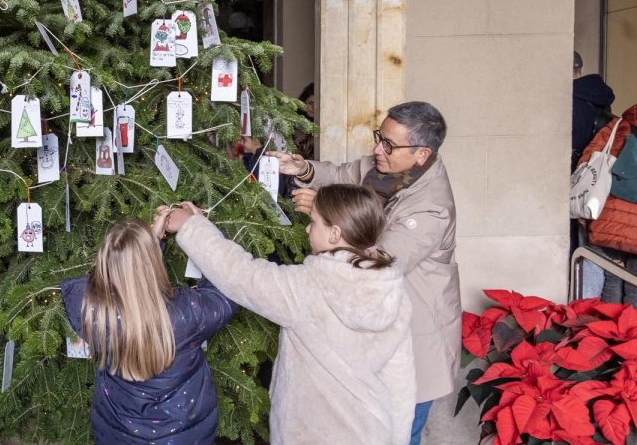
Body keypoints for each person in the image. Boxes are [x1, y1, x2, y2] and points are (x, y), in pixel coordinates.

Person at [160, 186, 414, 444]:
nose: (306, 229)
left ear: (334, 233)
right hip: (372, 432)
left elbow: (242, 275)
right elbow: (400, 385)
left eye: (313, 222)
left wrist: (192, 227)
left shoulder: (308, 288)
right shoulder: (394, 293)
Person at [269, 101, 457, 444]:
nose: (376, 150)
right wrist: (303, 168)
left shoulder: (431, 207)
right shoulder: (382, 168)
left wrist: (329, 216)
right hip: (375, 328)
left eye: (388, 144)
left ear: (421, 153)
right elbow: (343, 176)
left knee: (400, 428)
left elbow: (381, 261)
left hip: (416, 337)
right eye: (378, 138)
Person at [60, 220, 239, 444]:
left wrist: (146, 246)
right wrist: (200, 230)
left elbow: (84, 285)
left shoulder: (89, 308)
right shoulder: (187, 312)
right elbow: (226, 292)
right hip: (182, 436)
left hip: (118, 435)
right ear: (153, 263)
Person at [578, 104, 637, 305]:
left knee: (612, 275)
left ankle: (604, 333)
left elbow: (587, 164)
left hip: (608, 219)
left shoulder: (618, 125)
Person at [572, 51, 614, 171]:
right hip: (595, 171)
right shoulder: (600, 95)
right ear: (582, 69)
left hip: (573, 171)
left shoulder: (570, 101)